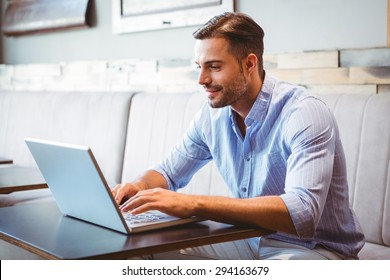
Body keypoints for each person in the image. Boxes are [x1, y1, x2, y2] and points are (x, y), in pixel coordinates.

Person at [112, 12, 365, 260]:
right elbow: (168, 172)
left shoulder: (303, 112)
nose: (202, 79)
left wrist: (192, 203)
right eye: (199, 67)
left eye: (214, 67)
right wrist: (138, 186)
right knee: (140, 250)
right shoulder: (212, 116)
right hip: (245, 239)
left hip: (312, 248)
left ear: (249, 64)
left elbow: (302, 213)